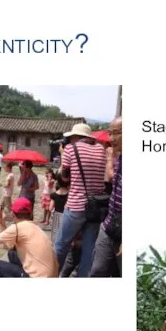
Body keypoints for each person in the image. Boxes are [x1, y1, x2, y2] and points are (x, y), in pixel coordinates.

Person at [54, 123, 107, 278]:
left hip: (76, 205)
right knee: (89, 250)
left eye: (71, 138)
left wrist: (63, 155)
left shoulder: (71, 149)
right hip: (96, 208)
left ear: (76, 137)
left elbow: (64, 178)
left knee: (61, 244)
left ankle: (51, 274)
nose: (70, 141)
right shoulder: (101, 149)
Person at [0, 198, 58, 278]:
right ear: (31, 214)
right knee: (12, 253)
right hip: (51, 275)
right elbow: (9, 246)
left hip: (37, 277)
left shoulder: (17, 227)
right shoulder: (34, 226)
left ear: (13, 214)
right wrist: (2, 224)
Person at [89, 117, 122, 277]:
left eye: (117, 133)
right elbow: (114, 179)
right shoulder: (122, 157)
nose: (111, 138)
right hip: (109, 224)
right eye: (111, 133)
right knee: (97, 271)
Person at [49, 176, 69, 244]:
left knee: (55, 232)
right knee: (64, 233)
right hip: (66, 216)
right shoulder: (69, 195)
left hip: (56, 215)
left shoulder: (54, 195)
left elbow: (50, 208)